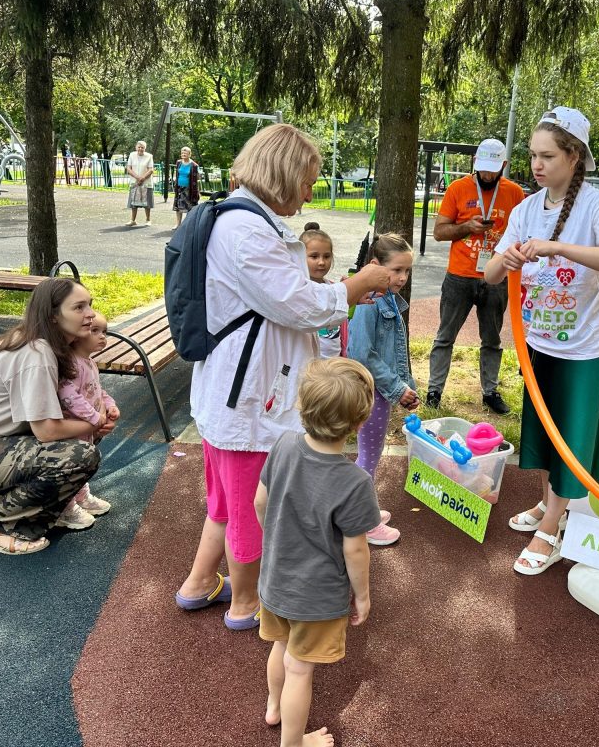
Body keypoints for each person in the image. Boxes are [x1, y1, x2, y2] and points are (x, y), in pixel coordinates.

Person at [173, 123, 390, 630]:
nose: (311, 192)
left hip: (236, 391)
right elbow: (292, 303)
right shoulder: (245, 229)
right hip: (248, 394)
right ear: (284, 174)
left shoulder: (244, 220)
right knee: (249, 504)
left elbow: (281, 296)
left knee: (225, 499)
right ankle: (247, 604)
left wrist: (339, 291)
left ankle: (200, 582)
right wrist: (353, 288)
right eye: (308, 180)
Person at [483, 107, 599, 576]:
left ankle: (550, 527)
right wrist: (505, 260)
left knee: (571, 436)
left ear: (574, 156)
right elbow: (489, 275)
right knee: (546, 433)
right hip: (539, 344)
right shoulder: (527, 209)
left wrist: (559, 247)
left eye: (547, 155)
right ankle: (550, 503)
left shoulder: (595, 205)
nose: (537, 164)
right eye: (532, 155)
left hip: (585, 346)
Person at [0, 278, 111, 555]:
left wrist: (100, 413)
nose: (90, 314)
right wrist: (96, 421)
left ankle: (25, 498)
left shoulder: (42, 345)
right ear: (53, 315)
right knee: (79, 455)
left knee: (77, 433)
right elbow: (47, 432)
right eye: (79, 307)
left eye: (90, 306)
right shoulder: (35, 353)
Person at [255, 357, 380, 747]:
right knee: (300, 668)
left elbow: (261, 501)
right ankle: (293, 744)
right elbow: (356, 549)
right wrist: (362, 594)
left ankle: (274, 706)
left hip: (275, 580)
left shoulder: (285, 445)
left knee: (280, 646)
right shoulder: (354, 482)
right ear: (358, 423)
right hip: (317, 596)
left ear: (302, 406)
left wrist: (275, 541)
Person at [426, 139, 525, 415]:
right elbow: (439, 232)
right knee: (445, 336)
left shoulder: (515, 194)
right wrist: (466, 227)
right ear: (475, 165)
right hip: (459, 275)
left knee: (492, 338)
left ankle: (490, 392)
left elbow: (524, 231)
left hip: (497, 277)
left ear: (503, 166)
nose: (487, 176)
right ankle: (434, 391)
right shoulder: (458, 189)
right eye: (483, 170)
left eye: (493, 171)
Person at [347, 233, 417, 546]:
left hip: (380, 389)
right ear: (376, 265)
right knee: (368, 458)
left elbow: (395, 352)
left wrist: (406, 387)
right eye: (397, 270)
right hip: (371, 391)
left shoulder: (384, 296)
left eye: (407, 271)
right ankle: (364, 523)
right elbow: (361, 353)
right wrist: (395, 386)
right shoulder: (370, 302)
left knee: (370, 455)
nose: (402, 277)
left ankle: (365, 510)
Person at [56, 312, 119, 530]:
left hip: (87, 428)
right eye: (95, 331)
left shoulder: (89, 362)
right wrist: (94, 418)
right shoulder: (72, 364)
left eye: (105, 332)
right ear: (78, 335)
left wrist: (110, 405)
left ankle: (81, 496)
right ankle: (66, 507)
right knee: (71, 467)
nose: (102, 337)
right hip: (72, 427)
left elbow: (97, 391)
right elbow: (68, 395)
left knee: (83, 464)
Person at [299, 222, 348, 358]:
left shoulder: (334, 288)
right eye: (314, 256)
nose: (321, 262)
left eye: (326, 256)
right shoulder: (298, 290)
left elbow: (343, 324)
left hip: (334, 364)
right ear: (300, 257)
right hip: (309, 367)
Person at [126, 140, 154, 226]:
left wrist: (142, 178)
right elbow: (128, 168)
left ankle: (148, 220)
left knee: (147, 202)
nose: (140, 149)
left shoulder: (149, 156)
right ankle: (133, 220)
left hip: (146, 182)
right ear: (136, 147)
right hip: (135, 181)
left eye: (142, 147)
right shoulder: (132, 155)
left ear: (145, 148)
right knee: (134, 202)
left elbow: (151, 169)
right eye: (139, 147)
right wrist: (137, 177)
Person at [173, 146, 200, 229]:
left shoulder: (194, 165)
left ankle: (188, 224)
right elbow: (176, 173)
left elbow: (198, 177)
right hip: (179, 188)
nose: (183, 154)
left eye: (185, 153)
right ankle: (178, 224)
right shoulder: (179, 163)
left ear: (189, 154)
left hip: (189, 189)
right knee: (178, 206)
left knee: (189, 206)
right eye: (182, 153)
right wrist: (174, 179)